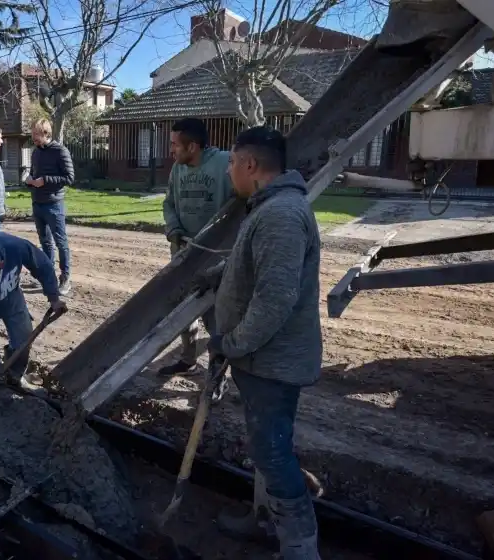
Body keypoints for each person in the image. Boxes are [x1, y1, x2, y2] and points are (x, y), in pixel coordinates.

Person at [198, 126, 322, 559]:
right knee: (266, 446)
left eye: (232, 162)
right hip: (261, 359)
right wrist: (220, 275)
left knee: (272, 452)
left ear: (250, 164)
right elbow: (256, 266)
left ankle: (300, 548)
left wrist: (230, 343)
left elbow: (274, 299)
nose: (228, 170)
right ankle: (266, 518)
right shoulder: (268, 208)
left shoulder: (280, 215)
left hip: (272, 361)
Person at [158, 117, 233, 377]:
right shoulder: (177, 169)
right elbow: (169, 203)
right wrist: (174, 229)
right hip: (183, 251)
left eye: (174, 144)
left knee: (215, 314)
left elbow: (243, 203)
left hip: (215, 255)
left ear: (192, 146)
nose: (170, 150)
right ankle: (188, 359)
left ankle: (217, 370)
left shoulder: (224, 163)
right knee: (182, 307)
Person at [0, 232, 67, 393]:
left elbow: (43, 265)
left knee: (23, 335)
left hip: (10, 294)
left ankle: (14, 377)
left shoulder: (15, 247)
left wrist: (54, 298)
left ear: (0, 265)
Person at [26, 118, 75, 296]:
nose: (33, 138)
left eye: (36, 134)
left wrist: (45, 180)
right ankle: (48, 277)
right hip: (37, 203)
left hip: (54, 204)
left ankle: (65, 278)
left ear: (46, 133)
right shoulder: (35, 153)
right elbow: (34, 173)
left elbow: (69, 178)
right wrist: (29, 180)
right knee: (45, 243)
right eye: (32, 134)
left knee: (61, 242)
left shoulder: (60, 151)